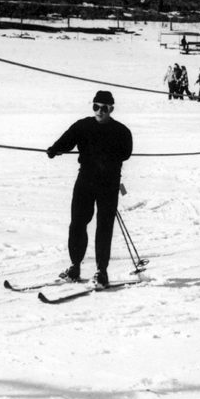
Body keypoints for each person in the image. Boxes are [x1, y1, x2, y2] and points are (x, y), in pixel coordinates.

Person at [46, 91, 133, 288]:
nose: (99, 111)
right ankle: (74, 267)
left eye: (104, 108)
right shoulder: (82, 126)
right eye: (96, 106)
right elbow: (67, 141)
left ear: (111, 109)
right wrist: (55, 149)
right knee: (77, 223)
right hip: (85, 180)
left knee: (104, 226)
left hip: (109, 183)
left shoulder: (121, 131)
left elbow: (125, 153)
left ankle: (102, 272)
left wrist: (105, 157)